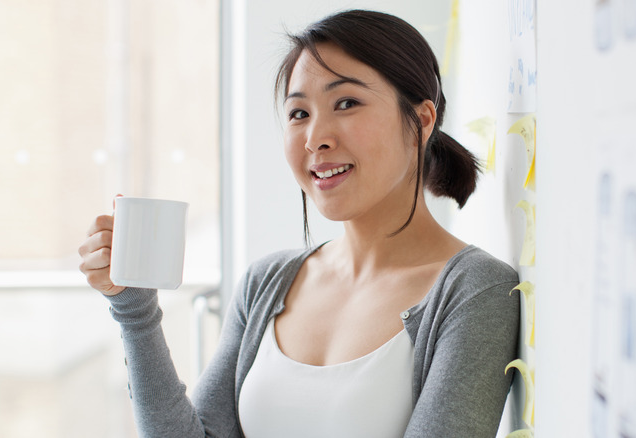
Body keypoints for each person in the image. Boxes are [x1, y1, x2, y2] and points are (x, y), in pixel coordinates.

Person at [79, 9, 519, 438]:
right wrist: (134, 306)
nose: (315, 138)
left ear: (422, 120)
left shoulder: (476, 291)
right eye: (298, 113)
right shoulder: (266, 282)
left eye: (346, 103)